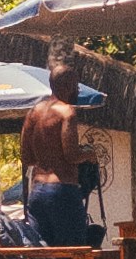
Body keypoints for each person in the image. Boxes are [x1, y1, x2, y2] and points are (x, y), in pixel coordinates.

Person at [18, 66, 100, 246]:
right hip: (62, 190)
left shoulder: (33, 112)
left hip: (38, 191)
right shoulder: (67, 112)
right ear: (69, 85)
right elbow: (71, 155)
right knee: (74, 251)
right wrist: (89, 154)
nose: (78, 89)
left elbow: (27, 158)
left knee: (44, 254)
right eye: (76, 85)